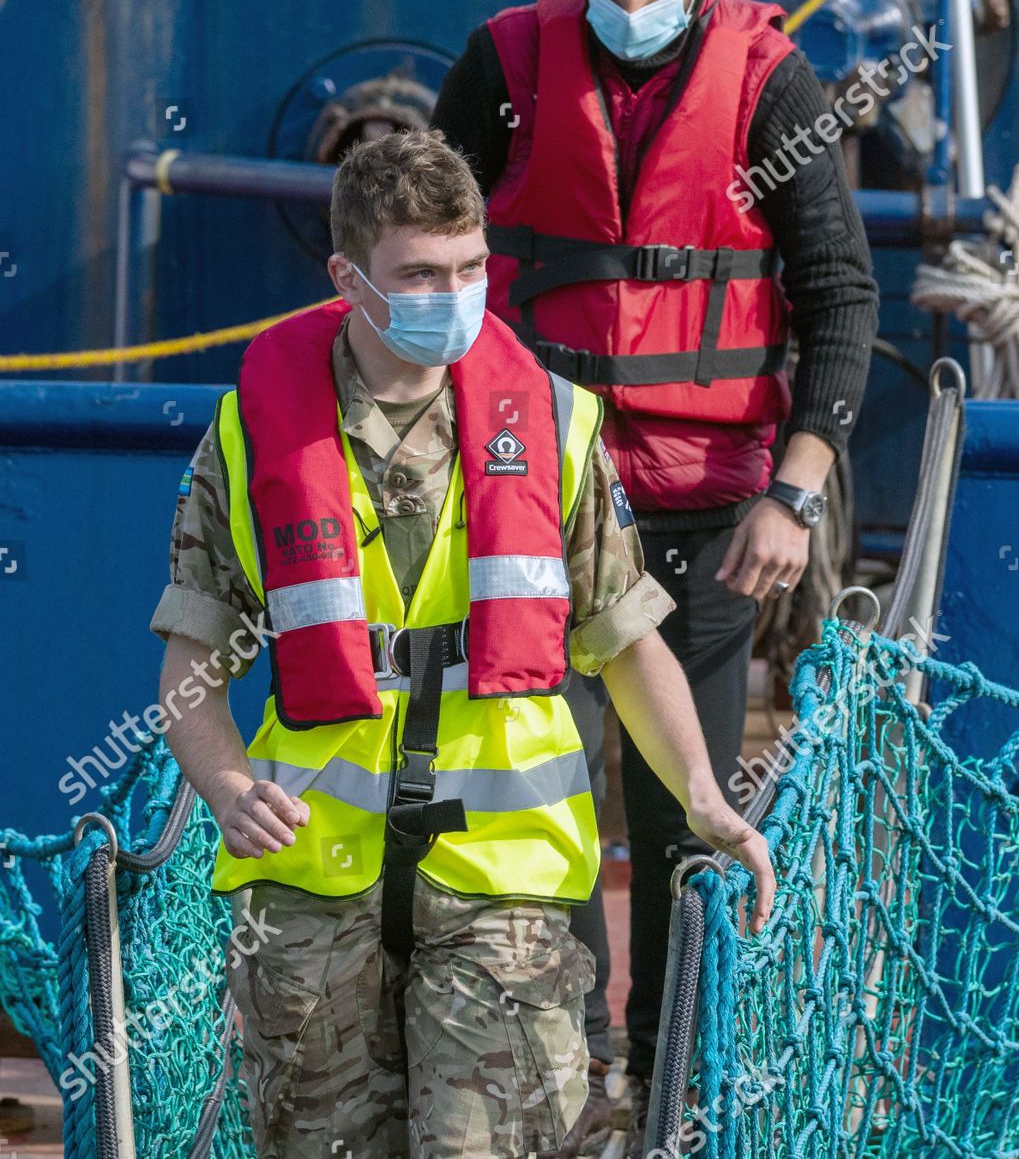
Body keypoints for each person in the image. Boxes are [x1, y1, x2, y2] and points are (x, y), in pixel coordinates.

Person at [149, 130, 776, 1159]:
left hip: (507, 893)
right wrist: (222, 788)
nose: (454, 292)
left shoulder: (560, 426)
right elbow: (190, 664)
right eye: (421, 274)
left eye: (471, 266)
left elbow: (624, 640)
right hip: (309, 892)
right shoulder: (250, 437)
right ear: (347, 278)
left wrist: (706, 798)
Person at [432, 0, 879, 1154]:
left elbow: (839, 295)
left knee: (683, 810)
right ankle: (554, 1084)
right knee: (539, 800)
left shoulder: (770, 82)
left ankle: (672, 1094)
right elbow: (426, 250)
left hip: (706, 516)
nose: (630, 6)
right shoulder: (503, 67)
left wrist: (790, 494)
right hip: (534, 500)